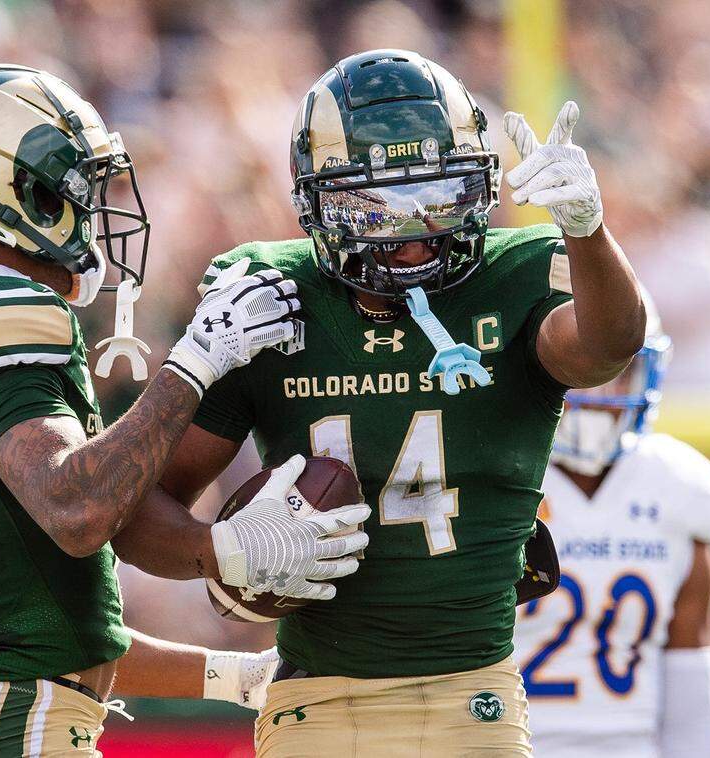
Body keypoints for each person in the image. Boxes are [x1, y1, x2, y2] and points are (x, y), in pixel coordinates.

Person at [123, 49, 647, 757]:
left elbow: (608, 345)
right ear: (314, 203)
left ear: (481, 190)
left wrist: (587, 230)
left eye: (438, 198)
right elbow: (141, 507)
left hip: (477, 696)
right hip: (314, 699)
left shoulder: (519, 273)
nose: (411, 236)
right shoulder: (270, 297)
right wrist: (214, 549)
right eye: (371, 206)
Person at [0, 64, 370, 756]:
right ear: (17, 193)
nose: (95, 210)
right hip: (8, 723)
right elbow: (77, 510)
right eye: (78, 188)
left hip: (10, 715)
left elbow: (59, 630)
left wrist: (243, 675)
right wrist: (198, 360)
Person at [514, 296, 710, 758]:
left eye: (615, 371)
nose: (596, 395)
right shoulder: (500, 477)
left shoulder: (678, 487)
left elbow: (691, 704)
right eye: (578, 373)